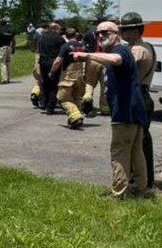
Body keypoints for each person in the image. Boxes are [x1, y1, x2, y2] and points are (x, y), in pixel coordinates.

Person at [73, 21, 148, 198]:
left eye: (105, 32)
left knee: (119, 152)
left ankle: (119, 193)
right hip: (134, 110)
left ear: (116, 33)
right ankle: (139, 188)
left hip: (125, 110)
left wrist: (87, 55)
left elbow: (116, 60)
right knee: (136, 151)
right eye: (98, 33)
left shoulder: (119, 50)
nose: (100, 36)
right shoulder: (118, 50)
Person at [120, 12, 156, 189]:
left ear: (136, 31)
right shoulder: (147, 45)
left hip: (138, 95)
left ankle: (141, 180)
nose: (121, 32)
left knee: (136, 142)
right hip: (143, 94)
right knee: (142, 140)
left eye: (125, 29)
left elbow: (123, 67)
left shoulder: (137, 49)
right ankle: (146, 180)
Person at [52, 28, 88, 128]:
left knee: (63, 97)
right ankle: (77, 118)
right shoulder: (83, 46)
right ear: (76, 36)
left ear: (66, 36)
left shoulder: (66, 46)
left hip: (69, 75)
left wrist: (52, 71)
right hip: (81, 74)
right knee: (76, 97)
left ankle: (75, 116)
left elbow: (58, 60)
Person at [36, 23, 65, 112]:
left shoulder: (41, 37)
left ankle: (45, 103)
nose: (60, 31)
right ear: (56, 29)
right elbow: (63, 52)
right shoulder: (60, 39)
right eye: (59, 29)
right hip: (54, 63)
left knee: (45, 83)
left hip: (43, 62)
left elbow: (37, 49)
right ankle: (50, 106)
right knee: (54, 84)